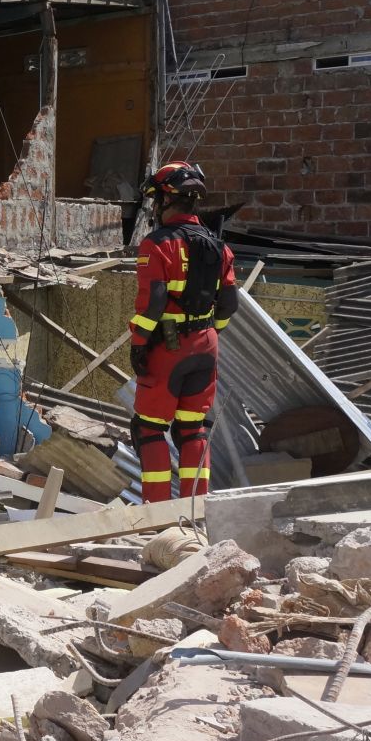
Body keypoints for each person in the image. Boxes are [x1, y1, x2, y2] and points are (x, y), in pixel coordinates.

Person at [127, 161, 239, 504]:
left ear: (165, 200)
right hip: (207, 346)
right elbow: (229, 304)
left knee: (149, 428)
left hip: (168, 347)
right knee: (193, 430)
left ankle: (157, 516)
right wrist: (209, 333)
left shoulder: (156, 245)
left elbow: (154, 303)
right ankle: (196, 513)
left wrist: (139, 344)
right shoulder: (221, 247)